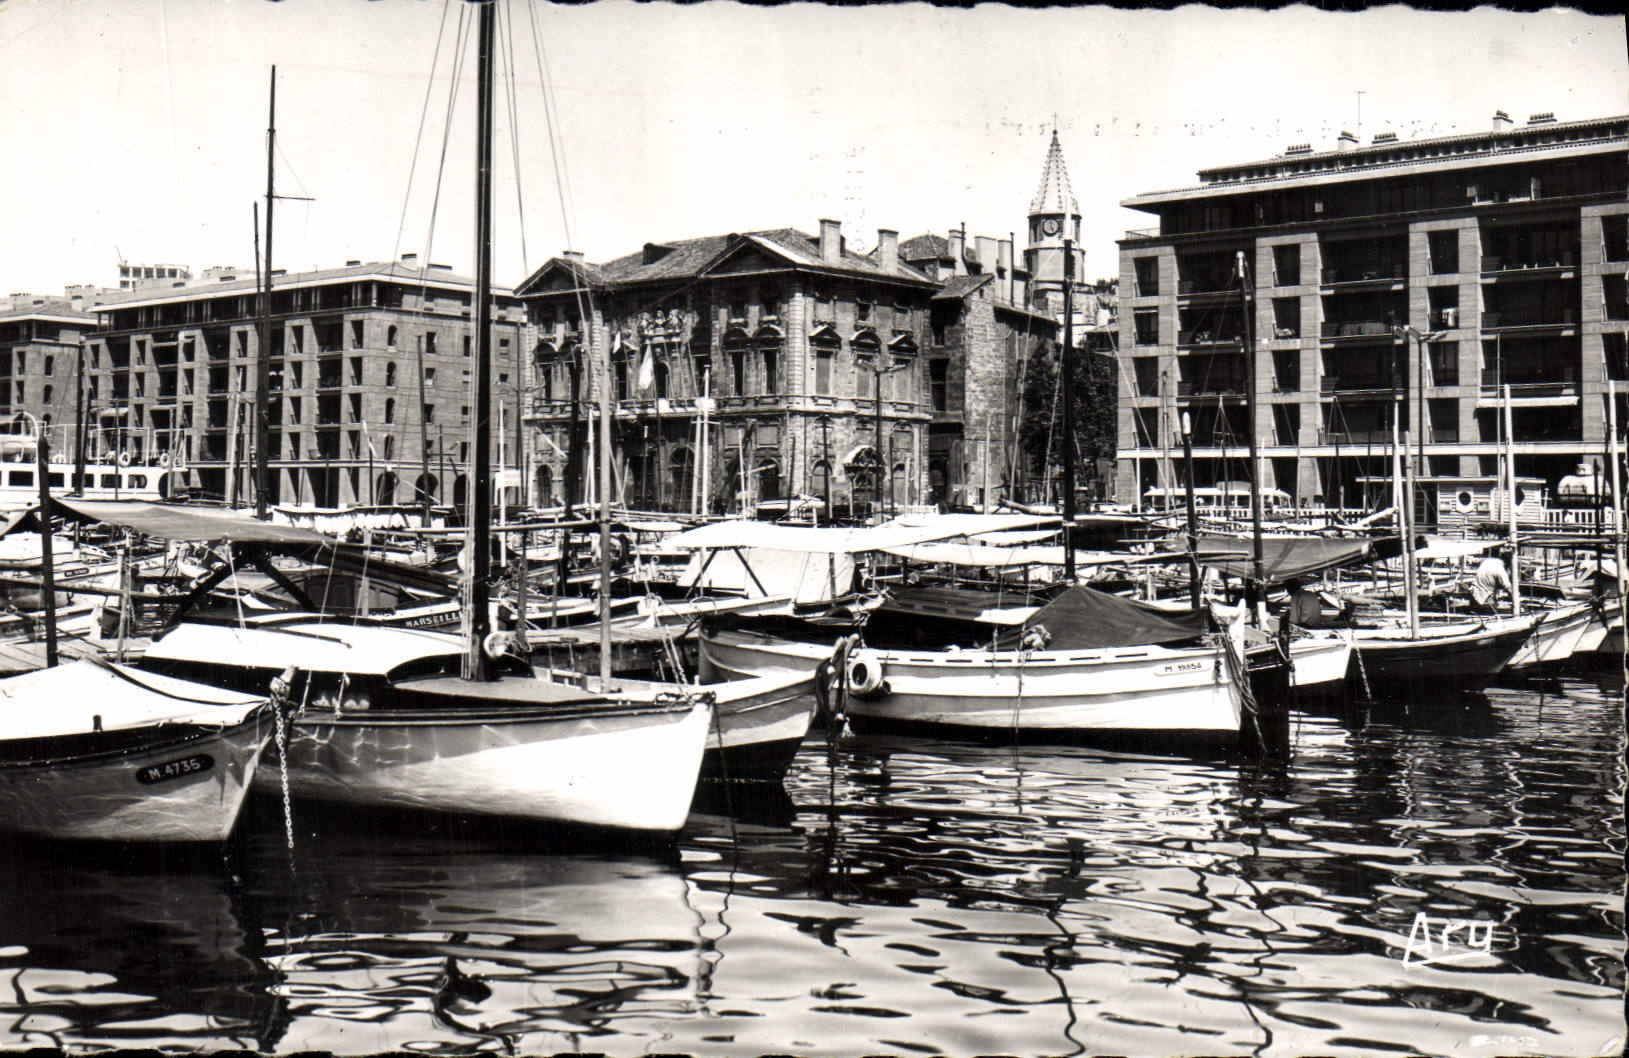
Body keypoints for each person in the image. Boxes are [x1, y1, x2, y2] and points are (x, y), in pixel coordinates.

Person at [1470, 548, 1514, 614]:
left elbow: (1490, 578)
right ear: (1508, 562)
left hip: (1474, 593)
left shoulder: (1487, 561)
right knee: (1492, 616)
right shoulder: (1500, 570)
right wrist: (1516, 600)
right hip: (1485, 599)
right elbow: (1508, 587)